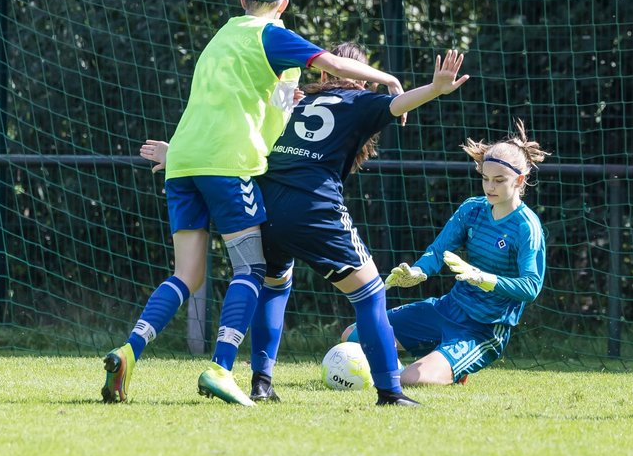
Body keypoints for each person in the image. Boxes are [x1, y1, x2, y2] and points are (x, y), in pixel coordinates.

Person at [101, 0, 403, 406]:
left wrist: (177, 150)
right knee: (253, 268)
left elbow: (256, 107)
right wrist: (387, 79)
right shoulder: (272, 36)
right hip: (229, 167)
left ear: (241, 0)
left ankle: (129, 349)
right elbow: (334, 64)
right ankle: (222, 369)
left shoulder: (219, 40)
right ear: (282, 4)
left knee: (187, 275)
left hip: (183, 163)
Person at [140, 43, 470, 407]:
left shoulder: (291, 104)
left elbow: (239, 139)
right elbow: (400, 104)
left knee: (276, 284)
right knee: (371, 294)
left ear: (324, 74)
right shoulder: (358, 102)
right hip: (314, 210)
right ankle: (390, 391)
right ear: (362, 78)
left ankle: (261, 382)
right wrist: (436, 88)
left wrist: (180, 154)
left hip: (267, 204)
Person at [376, 121, 548, 385]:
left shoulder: (527, 227)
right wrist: (418, 271)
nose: (489, 186)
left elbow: (531, 287)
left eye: (499, 180)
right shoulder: (472, 209)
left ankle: (447, 366)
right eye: (485, 178)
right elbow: (437, 251)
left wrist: (481, 277)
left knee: (413, 380)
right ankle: (436, 359)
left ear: (520, 180)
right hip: (448, 308)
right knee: (357, 335)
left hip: (483, 329)